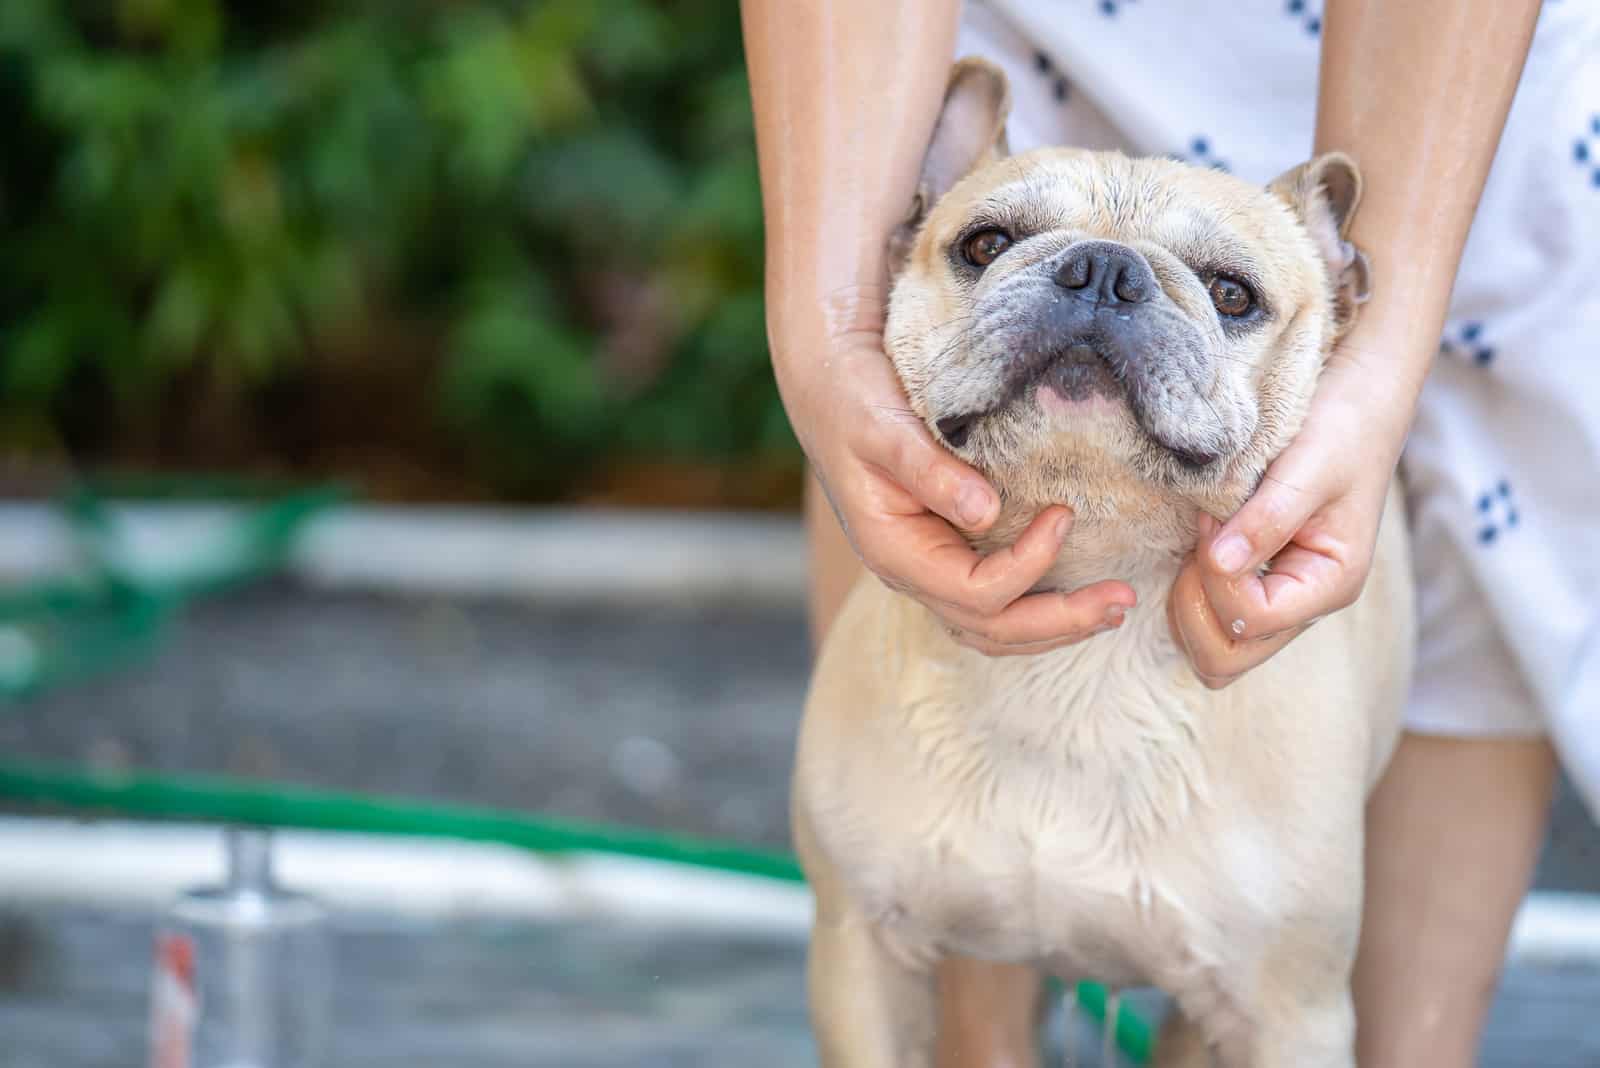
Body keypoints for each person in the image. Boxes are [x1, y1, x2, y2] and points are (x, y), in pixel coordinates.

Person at [741, 0, 1600, 1064]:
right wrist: (826, 340)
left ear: (1334, 311)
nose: (1098, 295)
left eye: (1228, 294)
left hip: (1460, 66)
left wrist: (1382, 373)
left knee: (1487, 486)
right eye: (994, 243)